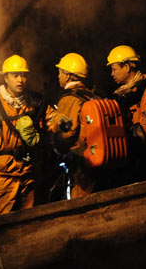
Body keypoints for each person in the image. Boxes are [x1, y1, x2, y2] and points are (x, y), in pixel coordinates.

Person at [0, 54, 44, 214]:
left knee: (28, 222)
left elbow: (50, 118)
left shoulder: (33, 102)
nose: (20, 80)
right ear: (6, 78)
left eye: (24, 75)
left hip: (27, 173)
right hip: (3, 177)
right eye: (15, 75)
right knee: (3, 224)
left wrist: (60, 121)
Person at [107, 45, 146, 180]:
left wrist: (125, 140)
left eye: (114, 69)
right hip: (136, 159)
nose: (112, 74)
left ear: (126, 67)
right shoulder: (125, 95)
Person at [47, 53, 100, 198]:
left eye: (60, 72)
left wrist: (55, 142)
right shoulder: (90, 95)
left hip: (82, 167)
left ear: (68, 75)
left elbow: (67, 133)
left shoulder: (69, 99)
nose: (58, 76)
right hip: (97, 161)